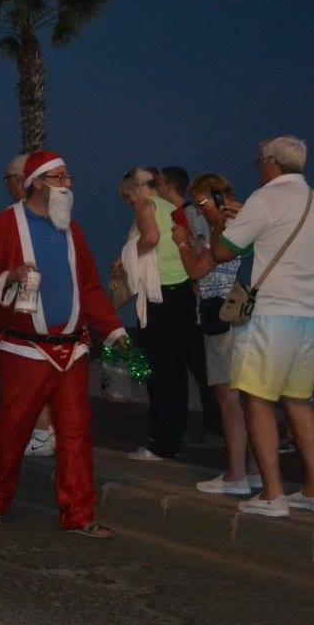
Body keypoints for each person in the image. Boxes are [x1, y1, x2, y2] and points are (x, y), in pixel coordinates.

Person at [0, 150, 127, 538]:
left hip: (72, 350)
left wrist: (115, 331)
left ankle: (79, 515)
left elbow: (89, 288)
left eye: (68, 177)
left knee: (75, 434)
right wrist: (10, 276)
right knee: (13, 429)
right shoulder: (5, 224)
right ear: (36, 183)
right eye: (60, 178)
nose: (68, 184)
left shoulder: (72, 231)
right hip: (24, 350)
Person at [210, 135, 314, 517]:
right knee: (298, 401)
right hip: (309, 312)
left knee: (257, 399)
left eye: (258, 162)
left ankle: (272, 494)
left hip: (271, 314)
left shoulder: (264, 199)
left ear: (270, 163)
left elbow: (222, 251)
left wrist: (224, 221)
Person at [171, 174, 262, 495]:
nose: (198, 210)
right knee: (249, 398)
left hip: (224, 317)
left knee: (229, 399)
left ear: (217, 198)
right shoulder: (242, 224)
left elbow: (197, 270)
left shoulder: (228, 229)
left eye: (201, 203)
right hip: (243, 317)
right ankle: (253, 471)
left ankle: (236, 475)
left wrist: (182, 243)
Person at [119, 168, 196, 461]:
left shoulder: (145, 205)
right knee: (175, 371)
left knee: (159, 373)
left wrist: (127, 255)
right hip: (182, 293)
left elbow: (150, 238)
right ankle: (173, 437)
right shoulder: (172, 207)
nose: (129, 202)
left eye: (127, 196)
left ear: (137, 189)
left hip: (159, 296)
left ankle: (160, 443)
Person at [157, 165, 224, 444]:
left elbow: (202, 255)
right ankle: (201, 425)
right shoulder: (180, 214)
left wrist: (185, 248)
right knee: (191, 364)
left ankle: (214, 428)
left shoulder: (189, 215)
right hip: (194, 297)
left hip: (199, 297)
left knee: (201, 366)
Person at [2, 154, 55, 457]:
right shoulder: (49, 216)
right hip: (42, 304)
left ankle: (42, 433)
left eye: (10, 179)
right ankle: (45, 431)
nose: (8, 185)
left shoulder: (22, 217)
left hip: (31, 303)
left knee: (30, 372)